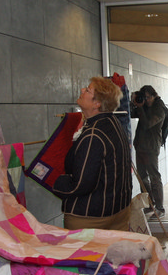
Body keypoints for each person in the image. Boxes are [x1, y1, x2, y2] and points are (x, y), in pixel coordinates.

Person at [53, 77, 132, 232]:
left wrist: (56, 182)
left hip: (92, 217)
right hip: (119, 210)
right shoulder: (114, 123)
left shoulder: (93, 134)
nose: (82, 90)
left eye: (88, 90)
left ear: (97, 104)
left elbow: (81, 184)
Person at [130, 85, 168, 215]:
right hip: (140, 146)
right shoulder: (144, 106)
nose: (146, 100)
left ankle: (160, 207)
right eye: (143, 98)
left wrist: (140, 107)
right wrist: (133, 103)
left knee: (154, 177)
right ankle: (149, 205)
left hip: (151, 147)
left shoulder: (159, 109)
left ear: (154, 95)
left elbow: (147, 124)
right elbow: (131, 114)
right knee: (142, 177)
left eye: (147, 97)